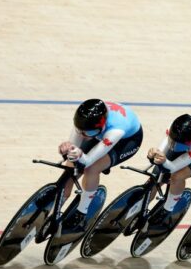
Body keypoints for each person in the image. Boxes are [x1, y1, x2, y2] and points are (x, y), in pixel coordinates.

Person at [58, 99, 143, 232]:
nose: (84, 136)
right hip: (100, 132)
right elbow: (76, 142)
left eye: (89, 133)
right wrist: (69, 148)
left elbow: (88, 160)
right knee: (71, 165)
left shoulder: (116, 129)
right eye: (80, 130)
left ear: (102, 126)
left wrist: (81, 156)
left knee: (92, 168)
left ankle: (82, 212)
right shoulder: (85, 123)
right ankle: (58, 201)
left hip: (126, 141)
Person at [147, 114, 191, 228]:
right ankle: (141, 205)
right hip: (184, 143)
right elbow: (166, 144)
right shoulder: (176, 127)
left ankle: (167, 209)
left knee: (177, 176)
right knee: (154, 178)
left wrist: (164, 161)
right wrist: (156, 153)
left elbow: (172, 167)